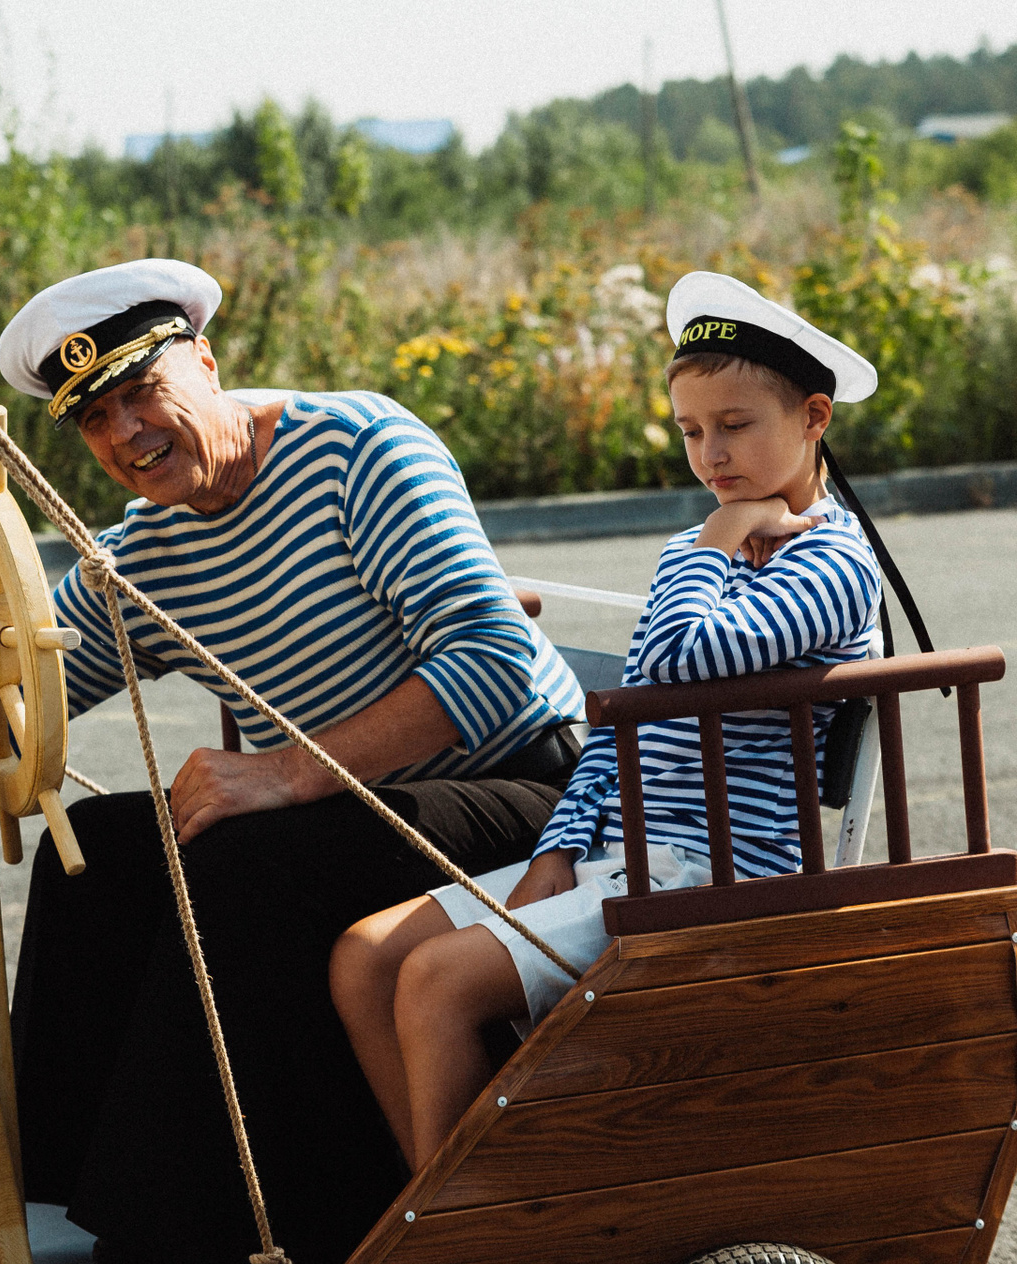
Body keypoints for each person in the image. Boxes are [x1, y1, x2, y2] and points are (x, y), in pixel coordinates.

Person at [0, 258, 584, 1262]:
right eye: (93, 418)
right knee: (102, 853)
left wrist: (287, 773)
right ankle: (56, 1204)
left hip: (530, 794)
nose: (125, 434)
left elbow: (492, 660)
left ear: (207, 361)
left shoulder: (360, 450)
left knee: (245, 863)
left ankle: (200, 1232)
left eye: (141, 391)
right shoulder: (149, 553)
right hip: (358, 810)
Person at [329, 271, 885, 1173]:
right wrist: (557, 847)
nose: (711, 456)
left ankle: (466, 1224)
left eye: (735, 425)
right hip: (620, 857)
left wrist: (715, 541)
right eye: (691, 431)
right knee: (366, 959)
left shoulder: (833, 563)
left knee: (435, 979)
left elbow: (681, 660)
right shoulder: (697, 549)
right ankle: (436, 1203)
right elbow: (626, 723)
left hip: (717, 871)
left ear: (814, 417)